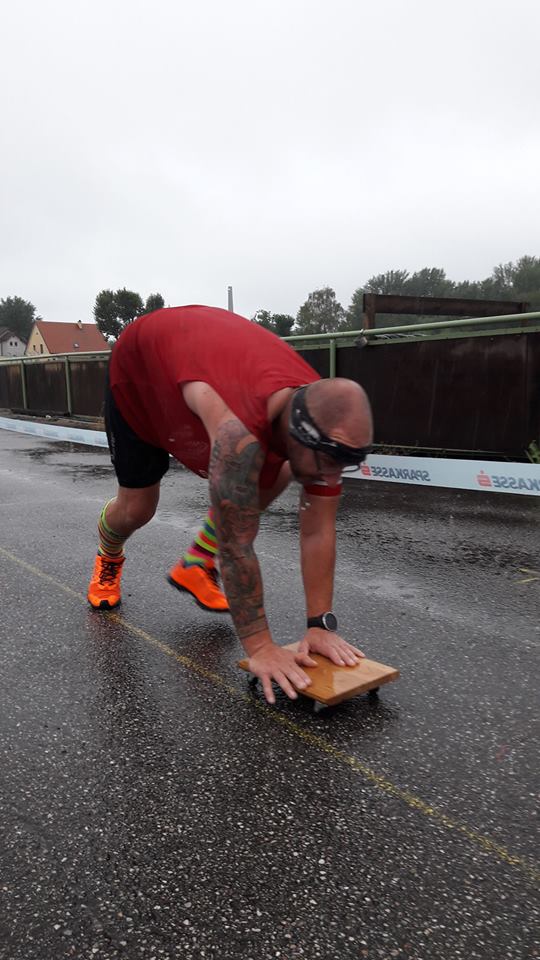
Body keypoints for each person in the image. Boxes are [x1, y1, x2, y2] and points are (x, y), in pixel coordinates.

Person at [87, 305, 373, 704]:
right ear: (298, 432)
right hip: (141, 373)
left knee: (284, 471)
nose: (334, 476)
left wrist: (319, 625)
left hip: (203, 365)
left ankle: (195, 564)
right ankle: (108, 557)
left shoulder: (323, 420)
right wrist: (261, 648)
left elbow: (318, 527)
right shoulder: (238, 431)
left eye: (348, 464)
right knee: (138, 508)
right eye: (330, 462)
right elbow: (237, 545)